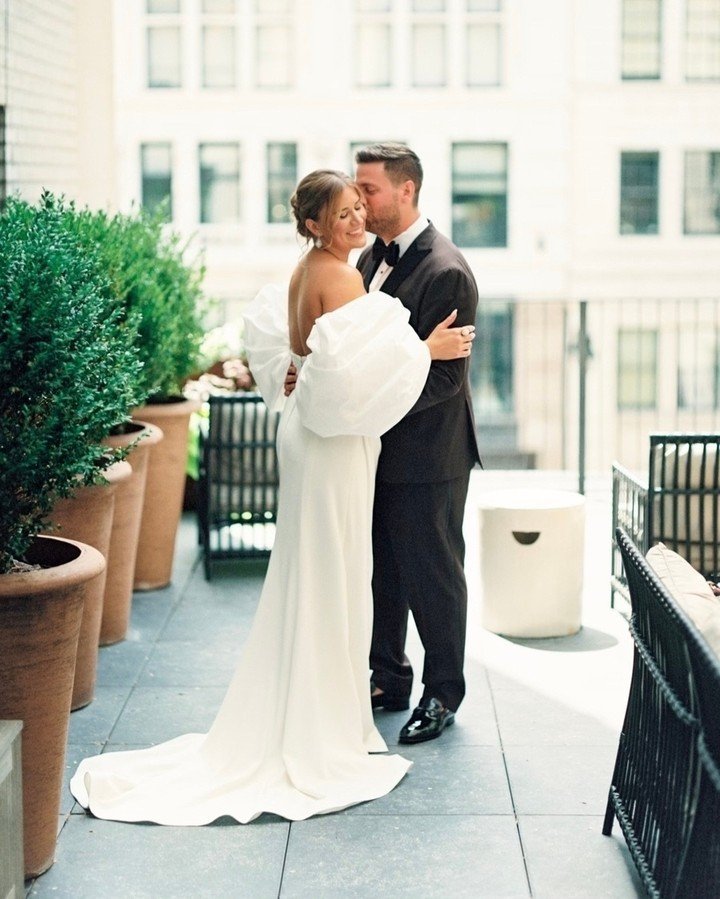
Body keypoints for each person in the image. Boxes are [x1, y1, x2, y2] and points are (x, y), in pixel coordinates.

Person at [69, 170, 474, 825]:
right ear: (315, 222)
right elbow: (359, 367)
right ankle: (317, 729)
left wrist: (314, 365)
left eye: (356, 209)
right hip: (331, 444)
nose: (355, 221)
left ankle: (310, 707)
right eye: (342, 213)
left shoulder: (308, 268)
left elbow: (305, 353)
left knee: (314, 571)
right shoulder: (340, 275)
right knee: (330, 575)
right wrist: (428, 348)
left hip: (310, 433)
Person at [355, 143, 482, 745]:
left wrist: (369, 393)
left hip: (430, 455)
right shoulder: (366, 259)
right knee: (383, 572)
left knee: (433, 575)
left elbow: (444, 379)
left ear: (406, 190)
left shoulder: (447, 270)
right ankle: (389, 676)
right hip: (373, 450)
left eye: (370, 189)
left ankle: (442, 693)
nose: (359, 199)